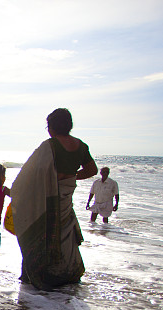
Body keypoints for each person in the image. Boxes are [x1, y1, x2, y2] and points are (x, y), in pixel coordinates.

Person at [11, 108, 98, 290]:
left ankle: (39, 275)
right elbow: (92, 170)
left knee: (40, 230)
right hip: (66, 198)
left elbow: (28, 176)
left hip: (48, 198)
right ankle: (67, 273)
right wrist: (72, 177)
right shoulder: (81, 146)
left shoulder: (49, 146)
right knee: (65, 233)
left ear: (51, 127)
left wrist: (16, 192)